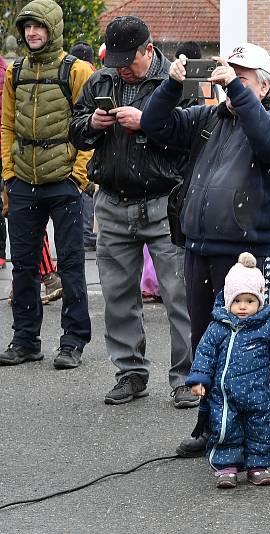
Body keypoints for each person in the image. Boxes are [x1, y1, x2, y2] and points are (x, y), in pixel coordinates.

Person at [140, 42, 270, 457]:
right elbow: (155, 125)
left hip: (244, 250)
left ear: (263, 86)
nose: (230, 84)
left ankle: (256, 426)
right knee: (206, 340)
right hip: (199, 243)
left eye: (240, 78)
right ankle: (210, 423)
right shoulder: (211, 117)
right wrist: (171, 86)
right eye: (229, 77)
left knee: (248, 343)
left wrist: (239, 95)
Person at [69, 16, 196, 407]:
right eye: (116, 60)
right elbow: (73, 129)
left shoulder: (176, 82)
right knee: (118, 294)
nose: (122, 68)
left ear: (149, 49)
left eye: (130, 59)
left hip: (163, 201)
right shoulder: (100, 81)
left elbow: (193, 137)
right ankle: (130, 372)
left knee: (179, 295)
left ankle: (187, 378)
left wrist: (149, 123)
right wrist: (91, 122)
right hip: (111, 199)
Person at [0, 0, 93, 369]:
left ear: (52, 28)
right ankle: (25, 340)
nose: (31, 33)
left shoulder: (78, 69)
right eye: (26, 27)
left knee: (71, 264)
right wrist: (8, 174)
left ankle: (72, 341)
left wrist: (78, 177)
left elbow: (92, 124)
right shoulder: (16, 71)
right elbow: (6, 125)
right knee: (22, 266)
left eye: (38, 27)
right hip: (23, 180)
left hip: (64, 182)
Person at [186, 252, 270, 489]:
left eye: (250, 301)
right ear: (228, 300)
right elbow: (205, 354)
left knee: (262, 427)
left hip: (260, 392)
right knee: (225, 428)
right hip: (225, 394)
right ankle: (227, 466)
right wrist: (199, 379)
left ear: (260, 301)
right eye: (237, 301)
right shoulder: (218, 327)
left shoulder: (269, 326)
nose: (243, 307)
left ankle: (258, 465)